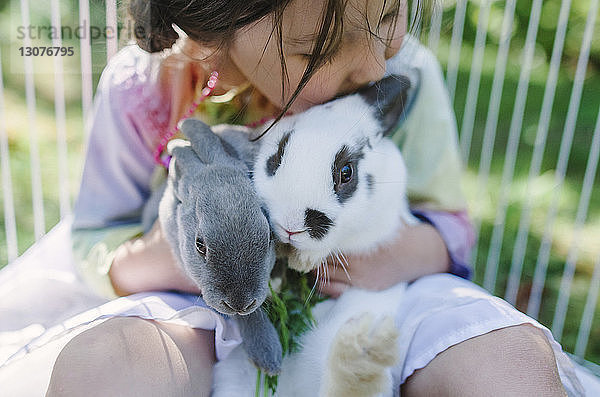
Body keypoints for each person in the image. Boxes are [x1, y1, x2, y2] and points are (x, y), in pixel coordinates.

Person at [9, 0, 581, 395]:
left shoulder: (405, 75)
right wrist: (174, 255)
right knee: (111, 368)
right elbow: (95, 236)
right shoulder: (146, 90)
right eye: (317, 49)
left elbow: (449, 226)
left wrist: (394, 257)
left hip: (380, 295)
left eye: (387, 14)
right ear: (213, 29)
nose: (374, 63)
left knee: (507, 363)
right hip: (202, 310)